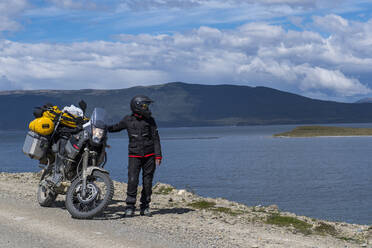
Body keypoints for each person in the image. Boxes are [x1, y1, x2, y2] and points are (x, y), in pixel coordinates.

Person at [108, 95, 162, 217]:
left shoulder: (150, 120)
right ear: (137, 106)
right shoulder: (127, 120)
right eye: (145, 105)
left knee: (147, 182)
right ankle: (130, 207)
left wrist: (158, 156)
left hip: (150, 155)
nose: (147, 108)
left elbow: (156, 138)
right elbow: (115, 127)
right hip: (134, 156)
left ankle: (145, 207)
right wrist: (102, 127)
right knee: (132, 180)